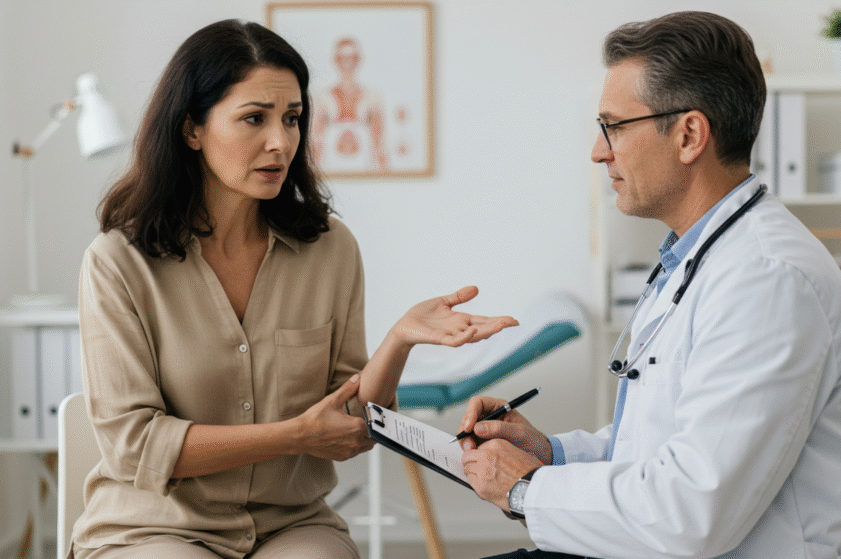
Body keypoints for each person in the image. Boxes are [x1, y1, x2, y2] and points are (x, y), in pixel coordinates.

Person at [70, 20, 517, 559]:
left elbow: (349, 427)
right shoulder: (118, 262)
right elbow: (132, 444)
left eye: (293, 118)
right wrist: (294, 437)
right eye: (254, 119)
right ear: (192, 129)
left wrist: (399, 340)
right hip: (155, 526)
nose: (280, 141)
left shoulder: (330, 249)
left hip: (291, 525)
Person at [459, 11, 841, 559]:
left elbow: (692, 514)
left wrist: (525, 488)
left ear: (689, 135)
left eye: (614, 127)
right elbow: (657, 449)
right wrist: (551, 453)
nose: (598, 151)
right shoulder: (702, 257)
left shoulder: (767, 282)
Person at [311, 37, 389, 173]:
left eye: (352, 58)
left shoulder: (372, 99)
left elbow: (380, 143)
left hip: (366, 172)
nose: (347, 64)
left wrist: (388, 177)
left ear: (358, 60)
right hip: (329, 174)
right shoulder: (322, 99)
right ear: (336, 61)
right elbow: (315, 144)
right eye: (342, 58)